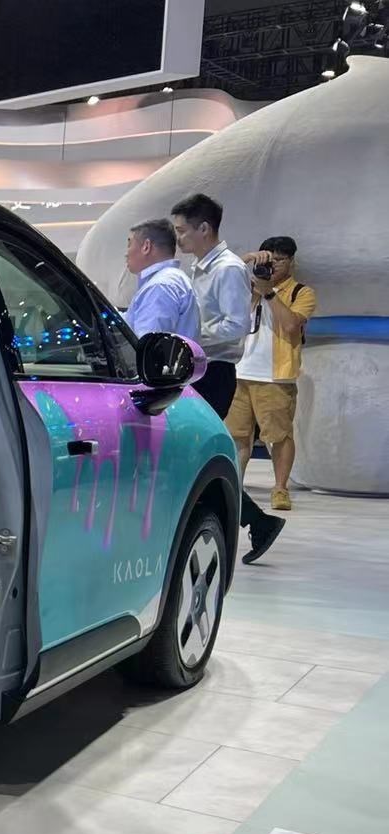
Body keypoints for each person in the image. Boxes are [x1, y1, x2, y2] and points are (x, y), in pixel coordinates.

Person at [170, 193, 282, 563]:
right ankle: (255, 521)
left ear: (204, 228)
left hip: (214, 372)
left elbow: (236, 325)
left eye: (182, 231)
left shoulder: (228, 268)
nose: (178, 238)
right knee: (189, 453)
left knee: (195, 453)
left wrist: (188, 335)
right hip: (197, 369)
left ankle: (252, 520)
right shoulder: (198, 267)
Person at [231, 236, 316, 512]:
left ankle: (280, 488)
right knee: (236, 435)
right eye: (269, 259)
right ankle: (234, 486)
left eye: (279, 260)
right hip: (239, 371)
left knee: (279, 436)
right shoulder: (248, 286)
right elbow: (222, 282)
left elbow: (291, 327)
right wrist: (245, 261)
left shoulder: (301, 292)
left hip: (275, 377)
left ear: (292, 261)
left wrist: (269, 293)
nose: (273, 265)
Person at [122, 218, 199, 339]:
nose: (126, 253)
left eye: (129, 244)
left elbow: (148, 345)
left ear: (146, 246)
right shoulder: (172, 280)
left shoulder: (159, 287)